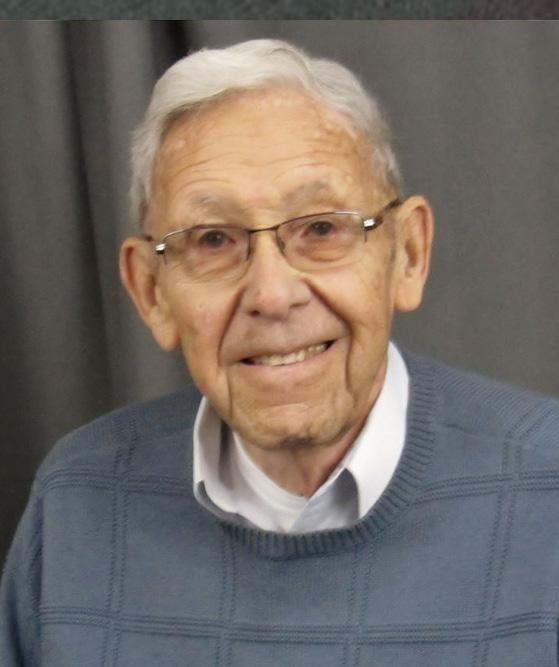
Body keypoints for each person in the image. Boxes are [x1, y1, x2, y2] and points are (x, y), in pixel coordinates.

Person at [1, 38, 558, 666]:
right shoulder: (77, 498)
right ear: (152, 292)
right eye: (213, 240)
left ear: (408, 254)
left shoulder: (548, 484)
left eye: (320, 228)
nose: (272, 294)